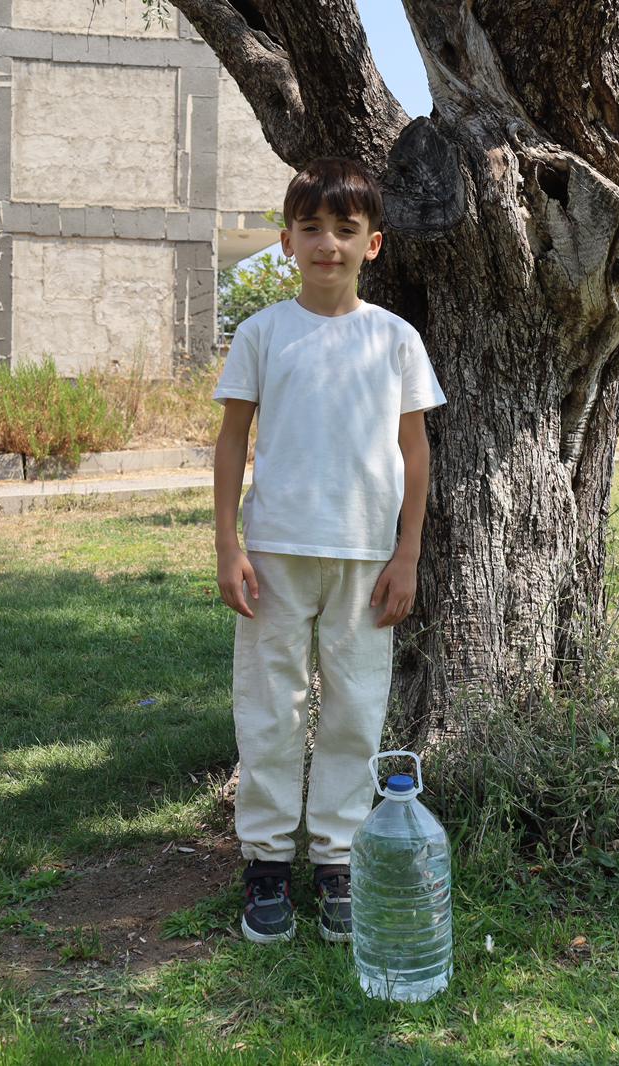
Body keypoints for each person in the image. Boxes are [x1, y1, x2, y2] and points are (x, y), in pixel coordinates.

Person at [212, 157, 446, 944]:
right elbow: (231, 441)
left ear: (373, 244)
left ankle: (339, 863)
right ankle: (268, 864)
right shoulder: (261, 333)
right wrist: (226, 546)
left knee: (354, 709)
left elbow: (416, 453)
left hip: (366, 560)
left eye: (345, 231)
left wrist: (408, 554)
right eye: (311, 228)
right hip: (274, 551)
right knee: (271, 709)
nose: (327, 244)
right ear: (286, 240)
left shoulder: (395, 340)